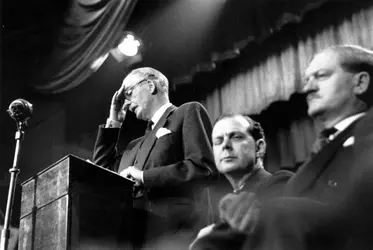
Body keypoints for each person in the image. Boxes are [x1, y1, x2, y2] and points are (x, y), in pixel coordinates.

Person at [190, 44, 373, 250]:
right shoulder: (319, 155)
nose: (308, 88)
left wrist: (262, 213)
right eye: (306, 80)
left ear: (360, 82)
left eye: (321, 76)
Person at [92, 67, 217, 249]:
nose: (125, 104)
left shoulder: (187, 112)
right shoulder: (133, 146)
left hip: (178, 237)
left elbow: (203, 168)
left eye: (129, 93)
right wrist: (114, 121)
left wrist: (144, 177)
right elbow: (101, 174)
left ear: (150, 85)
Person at [190, 114, 293, 250]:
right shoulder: (223, 205)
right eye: (218, 141)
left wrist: (212, 231)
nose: (225, 145)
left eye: (236, 137)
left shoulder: (281, 182)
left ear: (259, 147)